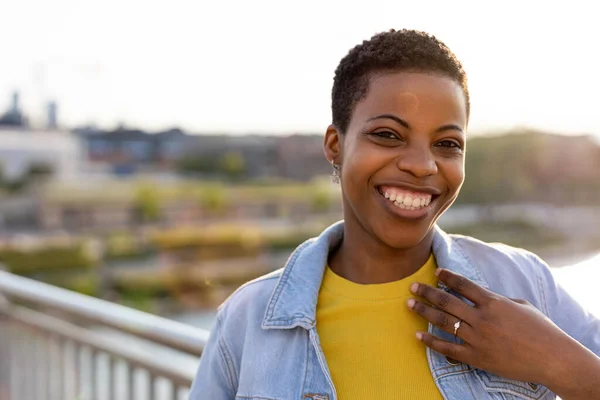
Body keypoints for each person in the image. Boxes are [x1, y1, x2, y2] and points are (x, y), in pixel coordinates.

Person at [190, 29, 600, 400]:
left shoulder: (526, 284)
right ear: (336, 144)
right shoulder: (247, 321)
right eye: (388, 135)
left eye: (448, 143)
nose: (423, 165)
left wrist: (559, 364)